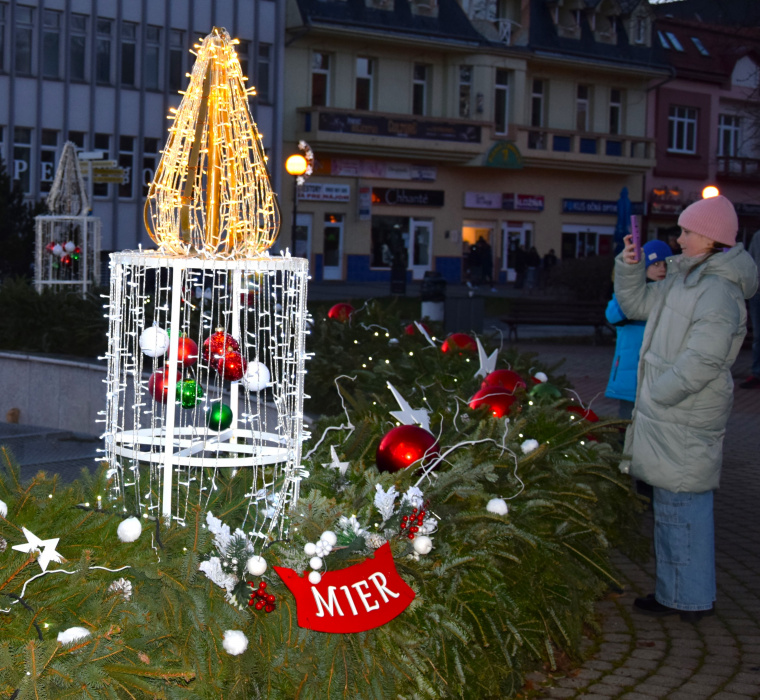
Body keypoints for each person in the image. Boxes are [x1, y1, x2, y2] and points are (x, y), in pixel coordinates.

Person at [615, 195, 758, 623]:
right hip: (674, 411)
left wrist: (659, 392)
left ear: (711, 239)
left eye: (687, 232)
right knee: (672, 506)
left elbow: (704, 359)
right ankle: (677, 593)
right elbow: (635, 305)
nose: (678, 239)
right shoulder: (685, 277)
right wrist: (629, 266)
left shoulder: (717, 291)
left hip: (684, 411)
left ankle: (690, 597)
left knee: (684, 507)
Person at [605, 240, 671, 419]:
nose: (662, 269)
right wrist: (631, 301)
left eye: (666, 264)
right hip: (630, 373)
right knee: (627, 422)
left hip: (658, 375)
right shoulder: (630, 293)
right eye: (655, 264)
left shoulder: (672, 295)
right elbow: (612, 315)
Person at [739, 230, 760, 388]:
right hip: (757, 293)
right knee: (758, 336)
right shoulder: (757, 236)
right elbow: (751, 263)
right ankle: (757, 373)